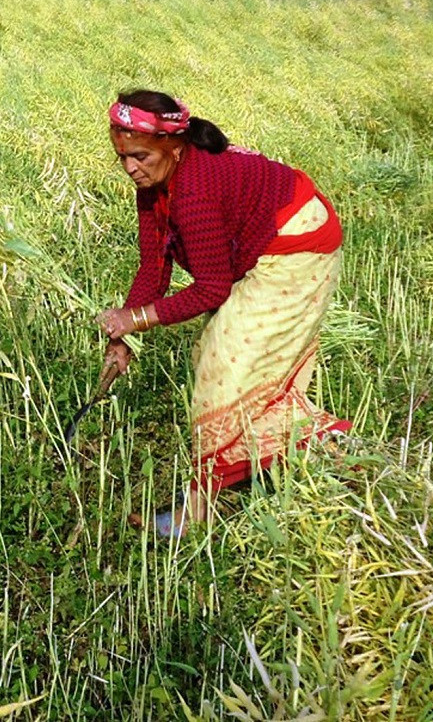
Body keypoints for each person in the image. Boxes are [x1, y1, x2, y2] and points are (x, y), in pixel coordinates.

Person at [98, 89, 350, 537]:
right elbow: (154, 264)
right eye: (122, 157)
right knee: (218, 361)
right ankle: (318, 451)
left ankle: (198, 511)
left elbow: (211, 288)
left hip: (297, 245)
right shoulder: (158, 185)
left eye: (139, 156)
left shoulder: (193, 192)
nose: (130, 168)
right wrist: (124, 338)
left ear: (173, 148)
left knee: (226, 372)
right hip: (264, 240)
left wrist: (133, 320)